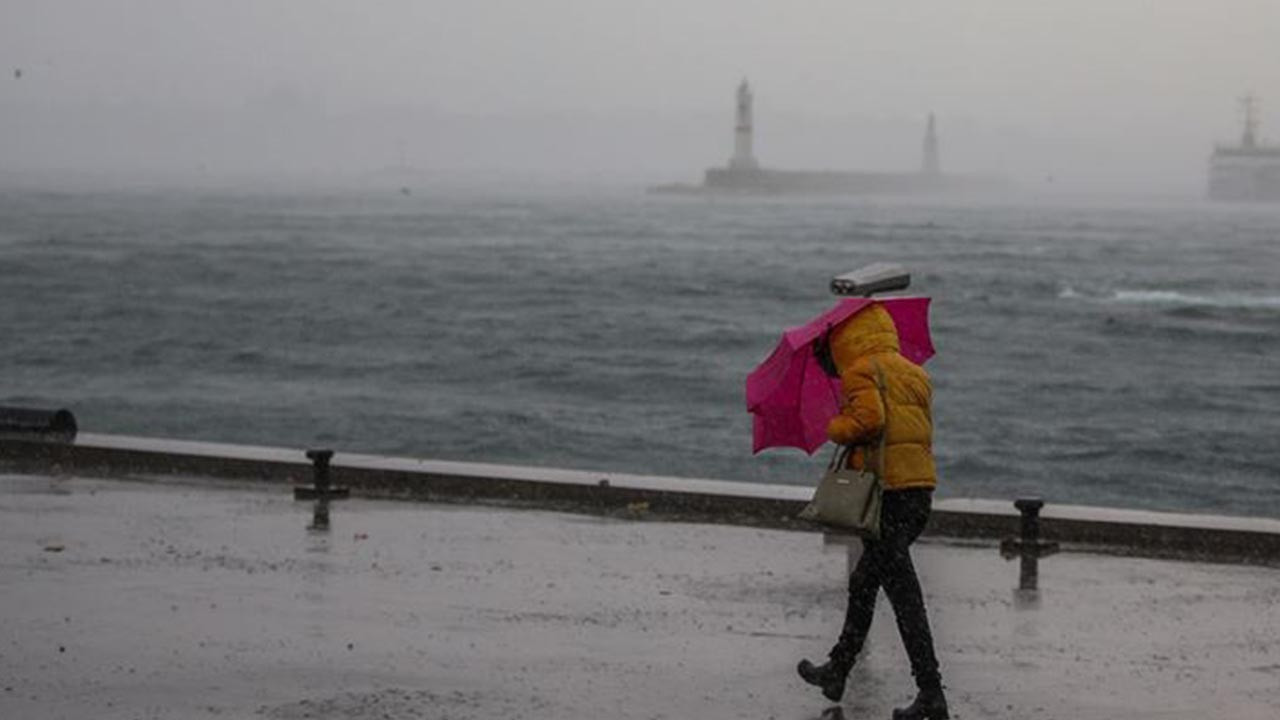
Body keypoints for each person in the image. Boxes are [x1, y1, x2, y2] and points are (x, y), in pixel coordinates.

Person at [797, 303, 948, 720]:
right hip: (918, 492)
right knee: (865, 580)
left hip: (887, 496)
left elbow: (870, 420)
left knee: (904, 596)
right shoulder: (914, 372)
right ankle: (838, 669)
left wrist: (835, 426)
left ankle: (932, 694)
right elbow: (911, 428)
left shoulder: (861, 371)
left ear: (847, 339)